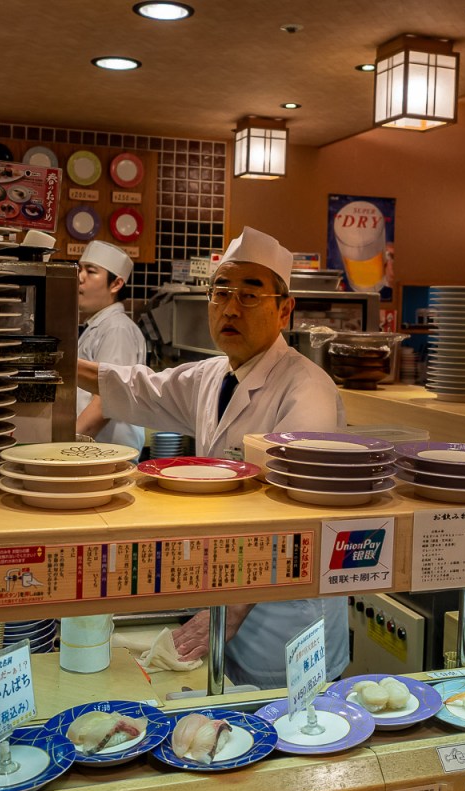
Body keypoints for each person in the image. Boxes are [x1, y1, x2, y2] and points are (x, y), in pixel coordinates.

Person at [77, 226, 347, 689]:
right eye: (221, 292)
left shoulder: (308, 390)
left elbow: (301, 517)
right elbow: (134, 386)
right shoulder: (211, 375)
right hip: (227, 595)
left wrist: (233, 608)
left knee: (293, 733)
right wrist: (46, 364)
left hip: (286, 617)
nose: (230, 307)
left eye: (249, 295)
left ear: (284, 310)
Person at [76, 240, 146, 453]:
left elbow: (107, 397)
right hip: (94, 453)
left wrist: (66, 446)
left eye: (91, 271)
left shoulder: (117, 329)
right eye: (80, 269)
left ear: (116, 284)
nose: (80, 277)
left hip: (107, 455)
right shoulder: (98, 326)